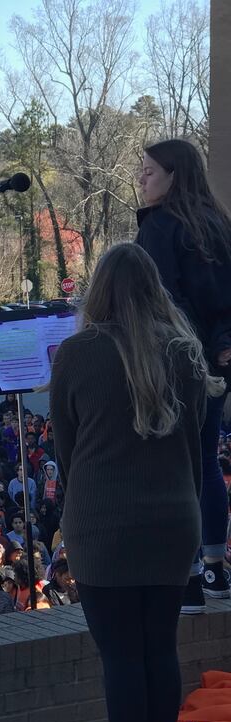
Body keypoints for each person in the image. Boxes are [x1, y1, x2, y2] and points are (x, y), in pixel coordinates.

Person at [50, 243, 219, 722]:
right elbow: (198, 451)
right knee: (159, 649)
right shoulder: (185, 353)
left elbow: (68, 453)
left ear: (98, 291)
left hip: (103, 524)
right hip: (174, 520)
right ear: (155, 289)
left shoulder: (76, 354)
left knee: (121, 654)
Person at [137, 138, 231, 612]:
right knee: (206, 461)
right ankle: (214, 566)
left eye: (150, 171)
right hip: (215, 363)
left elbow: (153, 302)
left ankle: (186, 575)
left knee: (175, 468)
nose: (141, 178)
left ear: (174, 176)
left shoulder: (159, 229)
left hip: (172, 362)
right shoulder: (218, 223)